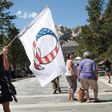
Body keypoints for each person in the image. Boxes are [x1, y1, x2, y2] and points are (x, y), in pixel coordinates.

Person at [0, 46, 13, 112]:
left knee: (6, 108)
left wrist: (5, 55)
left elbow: (6, 68)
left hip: (3, 86)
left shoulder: (3, 59)